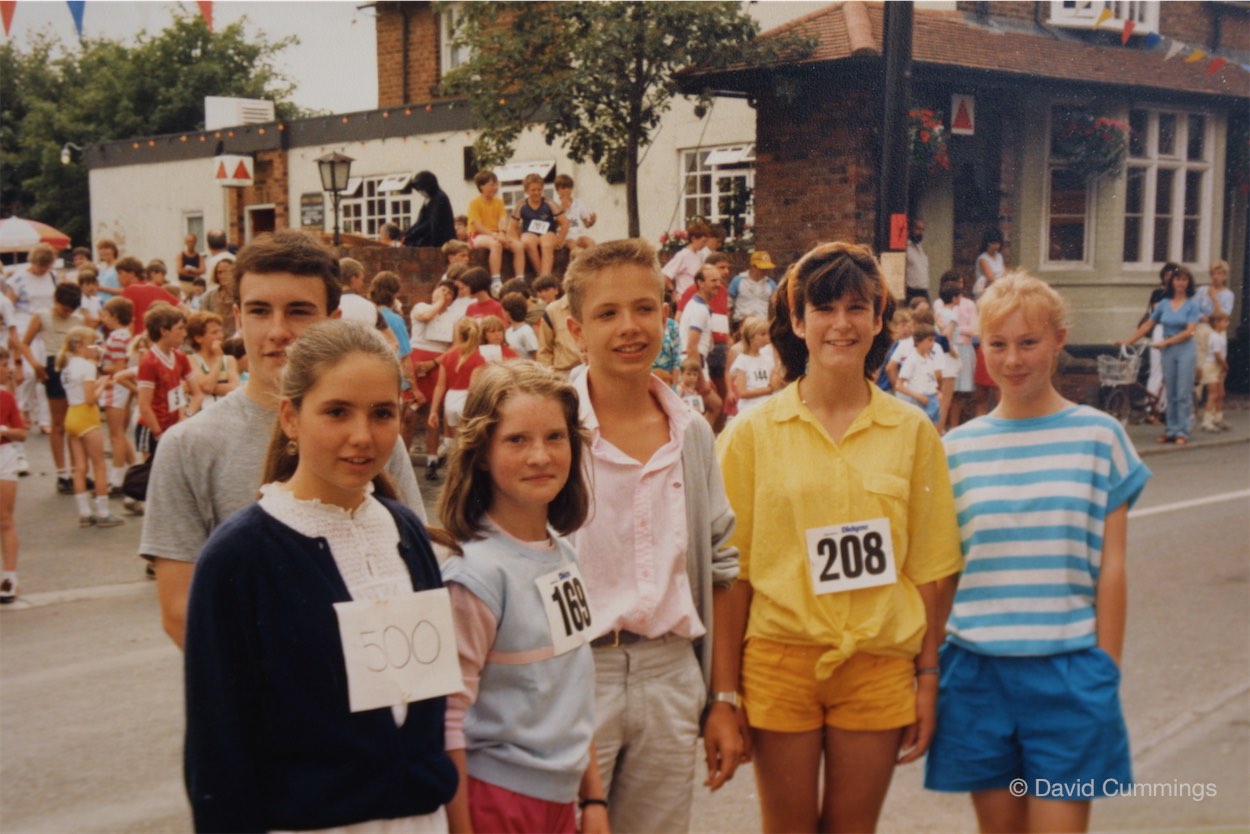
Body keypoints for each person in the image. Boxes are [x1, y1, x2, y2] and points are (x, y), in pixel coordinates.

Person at [715, 241, 963, 833]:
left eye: (857, 308)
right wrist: (724, 696)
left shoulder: (912, 431)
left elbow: (931, 571)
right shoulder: (750, 435)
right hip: (778, 662)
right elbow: (730, 577)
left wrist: (928, 678)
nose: (841, 324)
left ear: (879, 320)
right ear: (798, 321)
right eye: (824, 308)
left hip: (878, 663)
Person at [183, 320, 457, 833]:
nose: (362, 436)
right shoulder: (240, 556)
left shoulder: (406, 532)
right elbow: (218, 747)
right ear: (291, 417)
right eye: (336, 412)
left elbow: (430, 707)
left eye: (382, 413)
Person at [927, 271, 1151, 834]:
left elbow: (1112, 568)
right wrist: (930, 668)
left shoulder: (1101, 438)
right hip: (977, 676)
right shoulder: (955, 450)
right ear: (980, 347)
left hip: (1069, 672)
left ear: (1058, 340)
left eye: (1028, 342)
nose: (1013, 359)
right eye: (998, 344)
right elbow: (942, 577)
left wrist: (1105, 669)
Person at [141, 230, 428, 650]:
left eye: (298, 312)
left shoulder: (369, 434)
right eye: (259, 311)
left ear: (332, 320)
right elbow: (183, 612)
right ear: (238, 318)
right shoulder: (188, 445)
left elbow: (413, 566)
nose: (277, 331)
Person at [562, 239, 746, 834]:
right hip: (575, 675)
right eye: (607, 313)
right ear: (576, 330)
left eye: (644, 308)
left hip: (669, 670)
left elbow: (721, 567)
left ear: (666, 317)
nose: (629, 326)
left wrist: (722, 699)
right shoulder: (548, 428)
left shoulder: (691, 433)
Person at [437, 360, 607, 834]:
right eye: (516, 440)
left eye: (555, 437)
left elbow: (573, 685)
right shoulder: (474, 575)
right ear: (481, 452)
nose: (540, 456)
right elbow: (448, 720)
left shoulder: (564, 554)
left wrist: (593, 797)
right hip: (496, 801)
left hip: (562, 800)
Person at [1118, 265, 1201, 445]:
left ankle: (1183, 431)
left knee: (1182, 392)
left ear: (1189, 283)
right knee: (1170, 391)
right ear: (1172, 282)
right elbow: (1148, 324)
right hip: (1168, 350)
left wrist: (1166, 342)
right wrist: (1128, 341)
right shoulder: (1164, 304)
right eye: (1178, 279)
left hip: (1184, 349)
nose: (1181, 283)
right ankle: (1171, 430)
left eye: (1184, 280)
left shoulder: (1192, 305)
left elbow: (1190, 331)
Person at [18, 281, 85, 493]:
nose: (66, 313)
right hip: (54, 367)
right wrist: (35, 364)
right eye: (63, 308)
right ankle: (62, 474)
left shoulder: (79, 319)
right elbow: (24, 343)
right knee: (58, 424)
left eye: (70, 310)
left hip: (75, 368)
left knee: (75, 423)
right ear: (56, 300)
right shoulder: (42, 315)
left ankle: (77, 472)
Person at [57, 326, 123, 528]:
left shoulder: (67, 366)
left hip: (71, 415)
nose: (96, 349)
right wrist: (102, 384)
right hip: (87, 417)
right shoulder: (87, 367)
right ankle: (103, 512)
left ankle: (84, 512)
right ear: (80, 346)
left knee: (79, 467)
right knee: (99, 465)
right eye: (93, 344)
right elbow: (90, 399)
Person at [135, 303, 193, 459]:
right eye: (180, 328)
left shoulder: (180, 356)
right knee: (151, 471)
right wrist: (159, 434)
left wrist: (186, 416)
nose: (185, 333)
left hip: (173, 427)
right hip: (153, 429)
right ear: (164, 331)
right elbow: (144, 406)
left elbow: (196, 392)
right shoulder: (149, 362)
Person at [428, 317, 486, 456]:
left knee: (453, 442)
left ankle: (452, 462)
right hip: (466, 400)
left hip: (450, 399)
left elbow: (440, 386)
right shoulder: (478, 358)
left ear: (457, 335)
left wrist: (433, 411)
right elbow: (473, 389)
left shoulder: (448, 357)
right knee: (468, 445)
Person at [98, 297, 137, 495]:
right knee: (120, 434)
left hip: (116, 387)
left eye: (105, 315)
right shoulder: (125, 335)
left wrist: (100, 366)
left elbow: (119, 368)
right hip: (122, 388)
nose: (103, 319)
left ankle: (117, 479)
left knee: (116, 435)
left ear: (114, 316)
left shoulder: (116, 337)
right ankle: (133, 469)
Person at [0, 347, 26, 603]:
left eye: (6, 363)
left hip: (4, 457)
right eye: (2, 364)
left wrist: (5, 430)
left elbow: (22, 433)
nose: (6, 369)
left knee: (5, 519)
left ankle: (9, 578)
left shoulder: (6, 397)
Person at [469, 170, 527, 283]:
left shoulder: (498, 202)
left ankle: (520, 279)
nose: (495, 188)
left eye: (496, 185)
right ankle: (496, 280)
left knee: (519, 246)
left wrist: (502, 232)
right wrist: (494, 235)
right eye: (491, 185)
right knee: (496, 244)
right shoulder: (474, 203)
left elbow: (502, 219)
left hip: (497, 234)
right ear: (481, 186)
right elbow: (477, 225)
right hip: (479, 235)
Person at [509, 173, 568, 278]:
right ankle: (541, 275)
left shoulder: (549, 202)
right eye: (533, 190)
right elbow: (512, 227)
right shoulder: (521, 204)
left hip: (548, 233)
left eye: (539, 190)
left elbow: (565, 222)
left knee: (546, 244)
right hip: (530, 233)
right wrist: (517, 242)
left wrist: (560, 240)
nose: (536, 193)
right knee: (527, 241)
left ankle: (546, 275)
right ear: (526, 191)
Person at [185, 311, 240, 416]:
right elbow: (207, 386)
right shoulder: (190, 360)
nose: (221, 336)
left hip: (227, 415)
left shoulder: (229, 360)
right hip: (201, 416)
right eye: (214, 332)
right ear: (198, 338)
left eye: (220, 331)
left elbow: (235, 388)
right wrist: (218, 359)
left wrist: (196, 388)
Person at [729, 317, 779, 415]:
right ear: (750, 337)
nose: (767, 337)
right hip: (750, 409)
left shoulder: (768, 359)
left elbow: (774, 384)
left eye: (767, 334)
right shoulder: (742, 360)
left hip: (767, 407)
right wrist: (767, 390)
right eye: (762, 334)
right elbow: (742, 392)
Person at [405, 170, 457, 248]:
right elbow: (421, 220)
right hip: (432, 238)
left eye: (421, 188)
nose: (420, 191)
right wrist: (409, 232)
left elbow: (432, 222)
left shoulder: (439, 198)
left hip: (441, 241)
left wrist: (413, 233)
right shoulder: (430, 198)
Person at [728, 251, 777, 332]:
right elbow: (729, 305)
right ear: (753, 266)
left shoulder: (771, 284)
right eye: (761, 268)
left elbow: (775, 307)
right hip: (741, 324)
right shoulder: (738, 281)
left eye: (766, 268)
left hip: (762, 324)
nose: (764, 271)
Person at [1199, 311, 1230, 432]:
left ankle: (1218, 418)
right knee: (1213, 394)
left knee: (1220, 394)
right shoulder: (1215, 337)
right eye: (1225, 321)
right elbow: (1217, 355)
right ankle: (1207, 421)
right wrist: (1225, 365)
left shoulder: (1220, 336)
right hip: (1212, 366)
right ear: (1216, 323)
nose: (1227, 324)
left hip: (1218, 367)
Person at [661, 222, 709, 298]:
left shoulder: (700, 255)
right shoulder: (682, 255)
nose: (705, 245)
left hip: (696, 297)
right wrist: (673, 293)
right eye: (703, 241)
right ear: (693, 239)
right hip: (684, 296)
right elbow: (665, 276)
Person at [554, 173, 597, 251]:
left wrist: (591, 222)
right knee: (573, 246)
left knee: (590, 242)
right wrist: (562, 209)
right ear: (557, 190)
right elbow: (553, 225)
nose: (567, 190)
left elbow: (586, 224)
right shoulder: (554, 204)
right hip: (564, 236)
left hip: (578, 234)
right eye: (563, 188)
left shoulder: (578, 202)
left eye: (569, 188)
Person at [501, 292, 539, 360]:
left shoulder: (526, 331)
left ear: (507, 312)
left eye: (503, 310)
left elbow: (535, 355)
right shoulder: (508, 331)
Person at [972, 227, 1005, 300]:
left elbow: (1004, 273)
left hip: (999, 290)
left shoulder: (999, 256)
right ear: (988, 243)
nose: (997, 246)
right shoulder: (983, 259)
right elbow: (991, 278)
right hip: (986, 291)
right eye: (994, 243)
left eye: (998, 243)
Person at [904, 218, 931, 302]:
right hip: (911, 292)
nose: (920, 232)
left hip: (924, 291)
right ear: (910, 229)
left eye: (922, 230)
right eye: (918, 229)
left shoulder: (921, 248)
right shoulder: (905, 248)